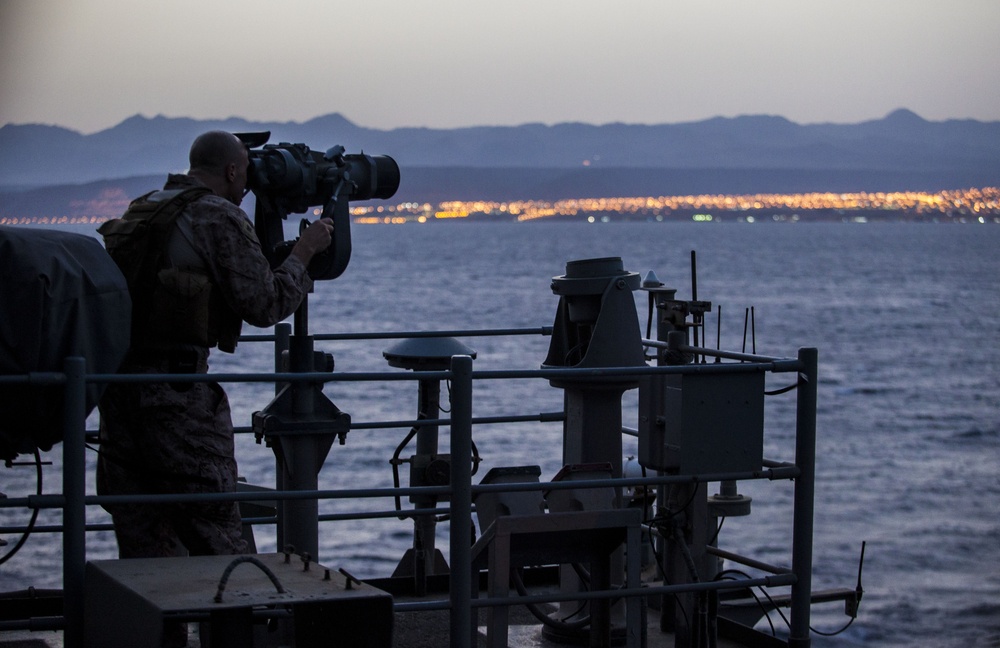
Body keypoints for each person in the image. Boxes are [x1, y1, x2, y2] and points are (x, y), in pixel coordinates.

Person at [96, 131, 333, 562]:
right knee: (218, 544)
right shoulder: (216, 217)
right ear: (230, 171)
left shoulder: (146, 208)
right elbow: (265, 303)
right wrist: (305, 251)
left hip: (119, 398)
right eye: (245, 172)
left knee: (147, 554)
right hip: (176, 400)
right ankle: (232, 629)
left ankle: (155, 632)